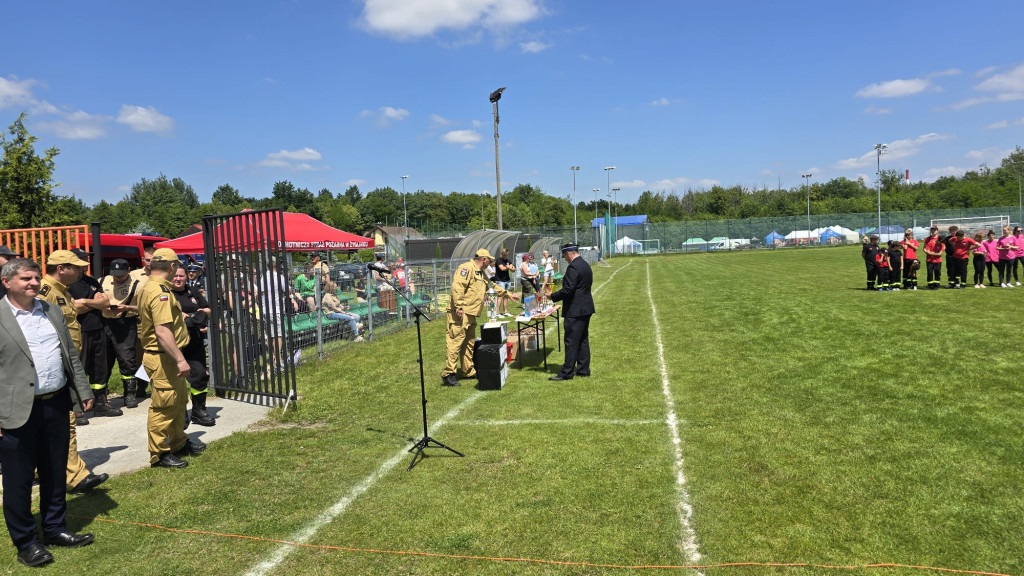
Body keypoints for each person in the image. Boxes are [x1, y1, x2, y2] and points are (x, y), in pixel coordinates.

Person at [0, 258, 96, 567]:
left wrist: (83, 391)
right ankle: (27, 543)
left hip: (56, 403)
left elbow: (69, 354)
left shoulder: (50, 310)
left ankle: (54, 528)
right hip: (15, 410)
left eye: (36, 277)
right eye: (25, 278)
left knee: (55, 472)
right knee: (19, 479)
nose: (33, 283)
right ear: (7, 282)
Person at [39, 251, 109, 496]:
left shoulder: (62, 290)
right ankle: (75, 477)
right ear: (61, 268)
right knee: (66, 420)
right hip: (56, 368)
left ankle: (44, 469)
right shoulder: (45, 292)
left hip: (64, 365)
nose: (81, 271)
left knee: (50, 424)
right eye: (76, 267)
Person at [138, 248, 204, 468]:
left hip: (166, 356)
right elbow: (162, 331)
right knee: (164, 406)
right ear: (173, 266)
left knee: (178, 402)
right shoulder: (160, 292)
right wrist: (180, 359)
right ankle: (159, 453)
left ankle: (178, 442)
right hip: (163, 357)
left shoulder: (153, 287)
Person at [442, 249, 518, 386]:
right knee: (456, 342)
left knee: (469, 343)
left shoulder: (481, 273)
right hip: (461, 313)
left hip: (471, 313)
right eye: (490, 260)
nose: (491, 262)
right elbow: (457, 287)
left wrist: (508, 294)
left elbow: (493, 286)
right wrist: (458, 306)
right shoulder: (466, 268)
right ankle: (449, 373)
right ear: (484, 259)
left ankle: (468, 370)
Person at [68, 249, 121, 418]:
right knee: (79, 370)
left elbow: (105, 302)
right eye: (83, 258)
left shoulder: (90, 281)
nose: (86, 261)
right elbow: (74, 308)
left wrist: (85, 301)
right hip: (79, 331)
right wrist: (95, 302)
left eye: (87, 258)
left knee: (100, 369)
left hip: (97, 328)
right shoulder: (68, 284)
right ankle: (77, 408)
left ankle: (100, 403)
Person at [170, 266, 215, 426]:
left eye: (181, 276)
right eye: (175, 276)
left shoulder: (192, 290)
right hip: (175, 342)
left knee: (200, 375)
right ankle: (179, 413)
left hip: (194, 340)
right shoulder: (166, 293)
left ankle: (198, 411)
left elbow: (208, 308)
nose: (178, 279)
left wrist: (200, 314)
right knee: (176, 378)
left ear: (186, 277)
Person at [548, 243, 595, 381]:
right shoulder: (585, 265)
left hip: (575, 310)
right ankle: (583, 369)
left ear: (568, 253)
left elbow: (568, 290)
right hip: (585, 308)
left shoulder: (573, 267)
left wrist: (553, 296)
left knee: (571, 341)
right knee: (582, 340)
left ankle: (567, 372)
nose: (565, 259)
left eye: (564, 256)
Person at [101, 259, 143, 408]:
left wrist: (127, 308)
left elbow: (145, 307)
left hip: (126, 324)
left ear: (128, 270)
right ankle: (101, 396)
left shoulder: (138, 284)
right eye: (115, 275)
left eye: (121, 275)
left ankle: (130, 394)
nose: (118, 278)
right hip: (105, 323)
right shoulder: (103, 281)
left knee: (127, 359)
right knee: (104, 360)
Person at [493, 247, 512, 317]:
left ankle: (505, 312)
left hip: (507, 280)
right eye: (504, 255)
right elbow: (502, 268)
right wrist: (508, 267)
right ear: (502, 254)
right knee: (500, 296)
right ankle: (497, 313)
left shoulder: (508, 261)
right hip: (500, 281)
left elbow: (513, 269)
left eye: (506, 255)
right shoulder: (499, 260)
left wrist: (510, 267)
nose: (505, 256)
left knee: (506, 296)